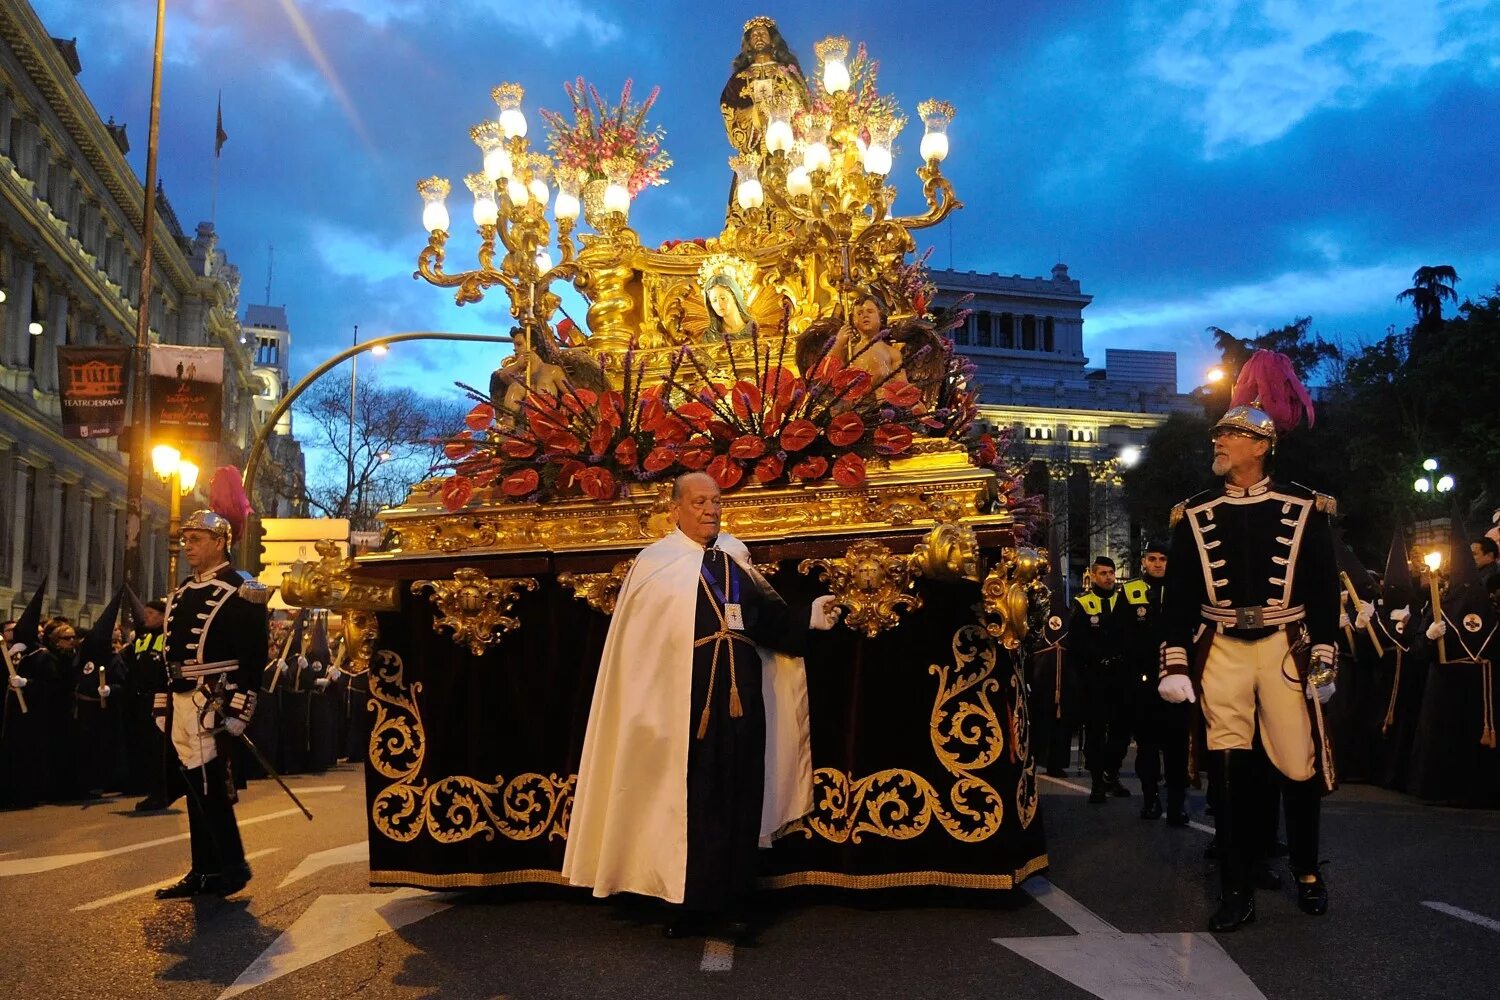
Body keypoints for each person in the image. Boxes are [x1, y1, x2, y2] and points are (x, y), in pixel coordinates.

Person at [563, 471, 840, 938]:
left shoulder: (735, 557)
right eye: (699, 502)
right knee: (694, 799)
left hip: (741, 699)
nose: (711, 510)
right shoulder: (655, 564)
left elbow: (763, 620)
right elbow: (638, 654)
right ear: (674, 509)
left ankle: (733, 900)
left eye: (715, 501)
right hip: (681, 706)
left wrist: (807, 619)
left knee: (740, 791)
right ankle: (691, 904)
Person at [1159, 350, 1339, 932]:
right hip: (1223, 650)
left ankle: (1308, 869)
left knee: (1297, 761)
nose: (1219, 443)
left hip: (1285, 644)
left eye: (1230, 435)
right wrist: (1176, 662)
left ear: (1260, 446)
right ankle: (1235, 884)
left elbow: (1322, 591)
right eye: (1219, 435)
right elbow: (1179, 598)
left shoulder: (1305, 507)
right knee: (1228, 767)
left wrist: (1324, 655)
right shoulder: (1193, 512)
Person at [153, 509, 271, 899]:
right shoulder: (183, 591)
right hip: (182, 698)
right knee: (194, 786)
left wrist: (240, 706)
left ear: (220, 543)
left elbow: (253, 658)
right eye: (186, 539)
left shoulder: (243, 589)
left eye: (197, 539)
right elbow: (168, 652)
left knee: (211, 787)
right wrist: (162, 700)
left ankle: (231, 866)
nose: (188, 546)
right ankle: (203, 870)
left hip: (214, 699)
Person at [1130, 541, 1190, 823]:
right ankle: (1151, 799)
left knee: (1177, 748)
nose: (1157, 564)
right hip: (1143, 683)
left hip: (1177, 678)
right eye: (1152, 558)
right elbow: (1120, 636)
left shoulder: (1181, 591)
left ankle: (1177, 805)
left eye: (1163, 559)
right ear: (1143, 561)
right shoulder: (1130, 592)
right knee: (1148, 748)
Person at [1067, 555, 1135, 803]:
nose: (1108, 578)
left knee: (1121, 730)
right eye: (1103, 573)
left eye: (1111, 573)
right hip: (1094, 677)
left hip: (1120, 676)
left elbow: (1130, 636)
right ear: (1093, 576)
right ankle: (1097, 781)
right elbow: (1076, 643)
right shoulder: (1083, 603)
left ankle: (1111, 772)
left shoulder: (1123, 601)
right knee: (1095, 730)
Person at [124, 599, 181, 811]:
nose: (145, 616)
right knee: (146, 749)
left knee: (160, 750)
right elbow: (132, 667)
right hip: (141, 699)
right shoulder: (141, 638)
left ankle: (161, 793)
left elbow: (170, 672)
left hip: (160, 700)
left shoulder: (169, 639)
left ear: (162, 616)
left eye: (150, 613)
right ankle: (151, 789)